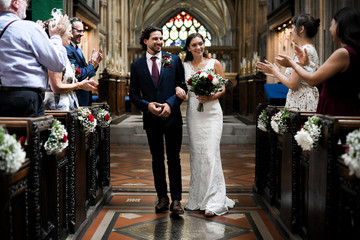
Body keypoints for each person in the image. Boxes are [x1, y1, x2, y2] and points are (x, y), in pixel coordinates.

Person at [175, 33, 235, 217]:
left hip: (212, 113)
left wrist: (210, 97)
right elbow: (182, 87)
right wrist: (181, 92)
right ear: (188, 48)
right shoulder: (183, 66)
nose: (198, 47)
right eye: (194, 45)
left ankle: (213, 200)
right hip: (194, 112)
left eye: (200, 44)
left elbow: (223, 86)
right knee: (197, 155)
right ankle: (198, 198)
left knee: (210, 154)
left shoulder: (214, 63)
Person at [129, 26, 187, 214]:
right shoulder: (136, 66)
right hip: (152, 119)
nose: (159, 42)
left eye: (161, 39)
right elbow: (134, 95)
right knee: (156, 159)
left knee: (174, 159)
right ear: (145, 41)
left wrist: (170, 104)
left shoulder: (173, 60)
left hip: (172, 118)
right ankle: (162, 197)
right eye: (155, 39)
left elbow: (182, 87)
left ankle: (177, 200)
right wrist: (148, 106)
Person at [275, 7, 360, 116]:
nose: (329, 29)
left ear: (342, 26)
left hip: (337, 109)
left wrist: (291, 63)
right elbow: (326, 75)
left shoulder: (343, 53)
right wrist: (308, 64)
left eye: (332, 24)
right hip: (344, 106)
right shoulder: (351, 52)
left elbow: (313, 80)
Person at [0, 0, 69, 117]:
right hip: (25, 100)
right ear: (15, 3)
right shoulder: (28, 28)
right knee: (28, 135)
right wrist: (56, 37)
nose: (27, 4)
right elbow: (58, 63)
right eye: (25, 1)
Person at [256, 14, 320, 111]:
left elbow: (293, 85)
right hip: (303, 98)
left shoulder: (303, 51)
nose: (291, 31)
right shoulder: (309, 48)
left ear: (301, 29)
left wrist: (275, 72)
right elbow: (298, 80)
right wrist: (277, 72)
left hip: (301, 101)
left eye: (293, 28)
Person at [42, 9, 98, 110]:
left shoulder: (62, 52)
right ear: (61, 33)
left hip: (68, 105)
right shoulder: (55, 52)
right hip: (58, 106)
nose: (71, 35)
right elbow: (57, 87)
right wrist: (79, 85)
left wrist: (81, 85)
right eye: (69, 32)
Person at [65, 17, 103, 106]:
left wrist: (94, 64)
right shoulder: (68, 48)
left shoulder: (76, 48)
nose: (82, 34)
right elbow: (78, 74)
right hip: (77, 96)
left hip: (83, 96)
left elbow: (86, 73)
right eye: (79, 31)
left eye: (82, 31)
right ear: (70, 30)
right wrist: (92, 66)